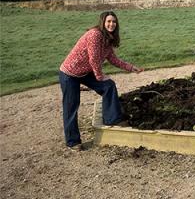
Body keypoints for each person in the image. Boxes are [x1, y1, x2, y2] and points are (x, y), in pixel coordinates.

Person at [59, 11, 144, 150]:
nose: (112, 24)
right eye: (109, 21)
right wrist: (99, 76)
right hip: (70, 73)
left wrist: (131, 68)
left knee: (108, 86)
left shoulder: (108, 39)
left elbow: (113, 59)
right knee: (71, 105)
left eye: (114, 22)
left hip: (85, 72)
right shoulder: (95, 35)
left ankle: (112, 119)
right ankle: (72, 141)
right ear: (102, 23)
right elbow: (93, 59)